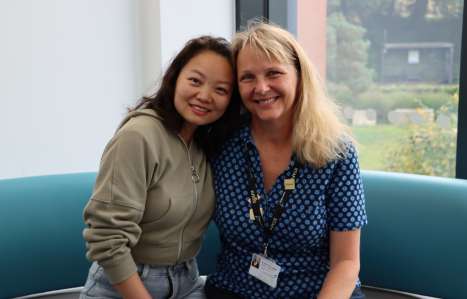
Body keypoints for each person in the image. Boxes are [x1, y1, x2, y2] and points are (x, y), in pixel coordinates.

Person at [204, 22, 367, 299]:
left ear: (299, 76)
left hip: (317, 292)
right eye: (247, 77)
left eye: (274, 73)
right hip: (234, 290)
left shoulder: (336, 151)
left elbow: (346, 262)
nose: (262, 87)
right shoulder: (220, 141)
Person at [80, 36, 240, 299]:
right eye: (195, 81)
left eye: (221, 89)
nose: (204, 95)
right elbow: (106, 237)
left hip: (188, 280)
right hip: (123, 285)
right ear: (175, 78)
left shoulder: (210, 144)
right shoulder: (139, 135)